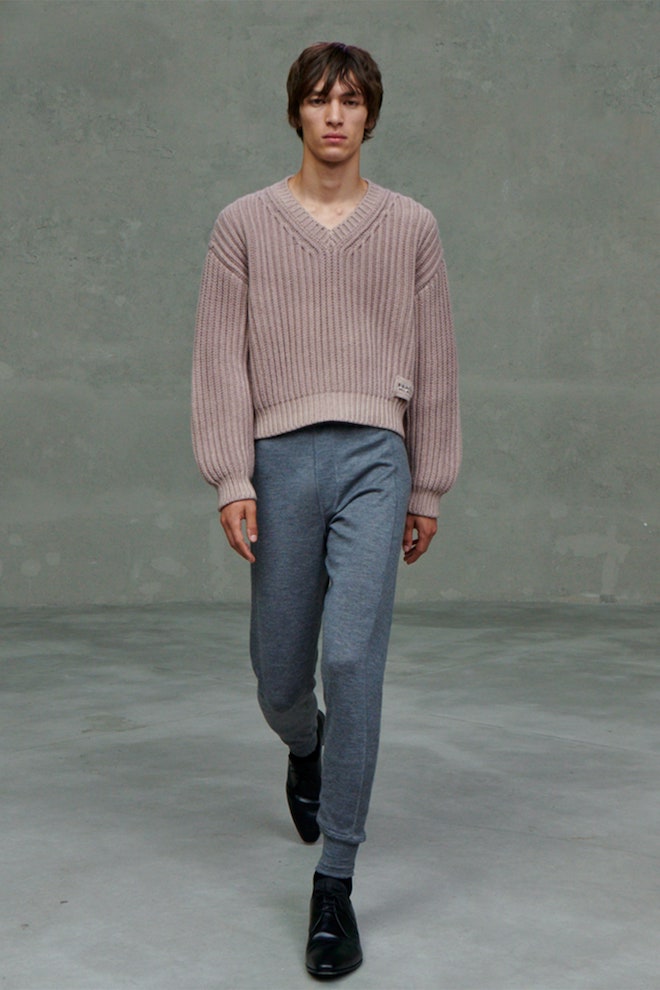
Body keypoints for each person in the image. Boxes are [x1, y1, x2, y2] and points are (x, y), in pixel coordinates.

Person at [192, 41, 461, 980]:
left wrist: (427, 483)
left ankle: (335, 881)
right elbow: (219, 357)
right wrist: (232, 476)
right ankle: (303, 747)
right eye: (318, 99)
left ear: (370, 114)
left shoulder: (412, 226)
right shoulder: (243, 225)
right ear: (296, 113)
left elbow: (434, 357)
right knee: (279, 675)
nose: (335, 115)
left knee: (351, 660)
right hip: (278, 461)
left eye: (350, 99)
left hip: (375, 458)